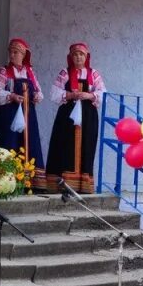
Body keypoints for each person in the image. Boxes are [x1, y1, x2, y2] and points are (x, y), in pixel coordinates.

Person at [45, 42, 106, 194]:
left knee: (87, 144)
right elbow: (54, 93)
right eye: (75, 55)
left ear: (86, 57)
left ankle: (83, 184)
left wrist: (89, 95)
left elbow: (103, 93)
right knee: (65, 145)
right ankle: (63, 184)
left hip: (88, 115)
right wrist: (69, 95)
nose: (78, 57)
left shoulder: (93, 74)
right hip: (67, 115)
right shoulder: (65, 73)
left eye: (81, 54)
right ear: (71, 57)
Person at [0, 37, 46, 190]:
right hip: (8, 117)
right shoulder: (4, 71)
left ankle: (30, 183)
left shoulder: (30, 73)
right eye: (10, 52)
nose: (12, 55)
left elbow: (40, 93)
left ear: (23, 54)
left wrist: (35, 96)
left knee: (29, 145)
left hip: (28, 116)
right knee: (9, 144)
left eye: (16, 52)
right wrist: (11, 96)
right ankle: (6, 182)